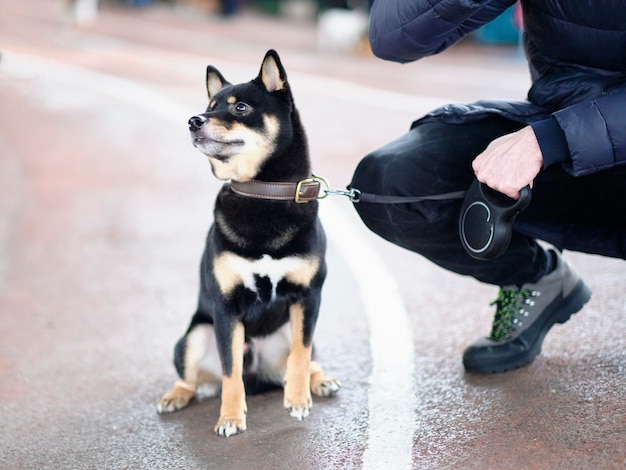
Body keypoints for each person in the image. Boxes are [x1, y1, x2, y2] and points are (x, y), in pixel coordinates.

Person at [350, 1, 626, 373]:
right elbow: (392, 40)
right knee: (390, 183)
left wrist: (548, 141)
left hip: (564, 137)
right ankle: (537, 280)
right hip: (567, 133)